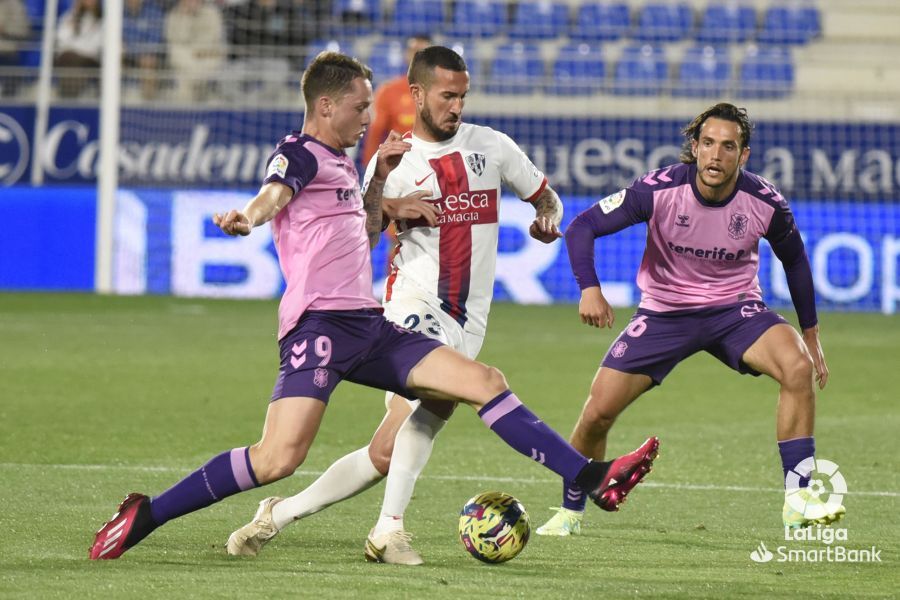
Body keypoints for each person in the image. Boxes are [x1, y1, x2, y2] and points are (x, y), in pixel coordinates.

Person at [88, 51, 659, 560]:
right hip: (319, 328)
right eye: (361, 107)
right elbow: (273, 194)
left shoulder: (345, 164)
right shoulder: (301, 152)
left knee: (484, 381)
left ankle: (591, 476)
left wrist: (380, 186)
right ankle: (148, 514)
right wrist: (248, 217)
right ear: (327, 105)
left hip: (367, 325)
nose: (370, 118)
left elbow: (361, 231)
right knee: (276, 459)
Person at [224, 45, 608, 566]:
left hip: (469, 319)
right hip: (412, 304)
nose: (457, 106)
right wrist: (385, 200)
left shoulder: (491, 146)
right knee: (416, 414)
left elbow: (546, 196)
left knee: (386, 451)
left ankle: (280, 513)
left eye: (463, 96)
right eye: (448, 96)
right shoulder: (392, 162)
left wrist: (546, 217)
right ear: (419, 95)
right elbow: (360, 233)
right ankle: (389, 531)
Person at [534, 102, 844, 537]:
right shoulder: (656, 190)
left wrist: (811, 336)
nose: (717, 156)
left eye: (729, 147)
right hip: (665, 313)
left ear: (744, 155)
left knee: (797, 367)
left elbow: (795, 261)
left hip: (735, 311)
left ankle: (800, 500)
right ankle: (569, 512)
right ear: (695, 148)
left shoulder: (765, 202)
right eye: (709, 144)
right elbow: (583, 226)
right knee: (597, 413)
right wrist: (590, 288)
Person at [360, 35, 431, 165]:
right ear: (406, 55)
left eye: (425, 54)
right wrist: (370, 170)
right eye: (414, 52)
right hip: (399, 168)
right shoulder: (388, 91)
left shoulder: (444, 93)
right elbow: (375, 133)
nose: (419, 59)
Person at [164, 0, 225, 102]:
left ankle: (198, 86)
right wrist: (186, 17)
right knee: (177, 54)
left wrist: (200, 50)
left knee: (212, 58)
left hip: (205, 55)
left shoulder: (212, 13)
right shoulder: (174, 14)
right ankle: (197, 85)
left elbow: (215, 36)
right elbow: (176, 39)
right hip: (186, 56)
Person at [54, 0, 102, 98]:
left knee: (71, 58)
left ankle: (68, 97)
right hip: (70, 57)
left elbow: (96, 46)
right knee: (68, 58)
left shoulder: (102, 21)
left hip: (92, 59)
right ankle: (69, 96)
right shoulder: (69, 16)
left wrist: (75, 48)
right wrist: (73, 25)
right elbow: (61, 40)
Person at [122, 0, 164, 100]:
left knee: (148, 61)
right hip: (126, 55)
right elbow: (117, 38)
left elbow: (155, 40)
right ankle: (115, 96)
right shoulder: (118, 11)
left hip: (146, 55)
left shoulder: (153, 11)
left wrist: (136, 51)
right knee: (115, 56)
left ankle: (148, 102)